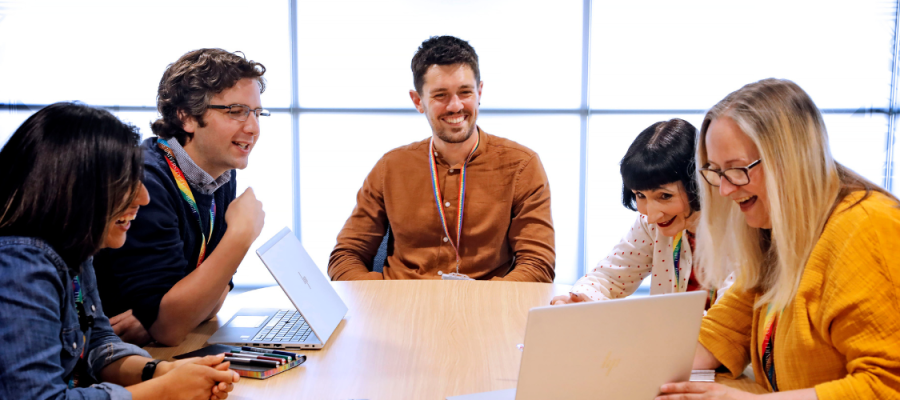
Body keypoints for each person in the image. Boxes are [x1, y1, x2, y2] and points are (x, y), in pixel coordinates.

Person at [657, 79, 900, 399]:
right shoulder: (778, 233)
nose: (726, 190)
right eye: (716, 171)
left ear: (792, 160)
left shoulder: (868, 227)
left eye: (738, 169)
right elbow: (721, 332)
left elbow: (886, 385)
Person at [0, 102, 239, 399]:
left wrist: (161, 371)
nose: (144, 196)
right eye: (125, 181)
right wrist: (164, 390)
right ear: (74, 188)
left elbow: (98, 344)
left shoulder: (76, 250)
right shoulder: (20, 264)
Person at [328, 35, 555, 282]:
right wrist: (380, 302)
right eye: (440, 95)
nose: (455, 106)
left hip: (484, 311)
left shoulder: (522, 166)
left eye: (465, 92)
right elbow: (346, 256)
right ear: (418, 101)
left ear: (479, 92)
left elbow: (537, 265)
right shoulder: (390, 168)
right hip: (400, 310)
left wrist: (487, 304)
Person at [94, 48, 266, 346]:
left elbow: (211, 301)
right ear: (186, 117)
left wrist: (183, 309)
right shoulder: (147, 182)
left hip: (151, 348)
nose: (252, 127)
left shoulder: (219, 173)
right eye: (236, 111)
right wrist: (240, 236)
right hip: (108, 358)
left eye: (257, 113)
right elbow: (170, 330)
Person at [552, 118, 727, 307]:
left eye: (665, 196)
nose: (651, 216)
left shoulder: (738, 230)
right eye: (640, 195)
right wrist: (576, 298)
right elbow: (610, 277)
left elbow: (733, 316)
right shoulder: (650, 224)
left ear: (696, 183)